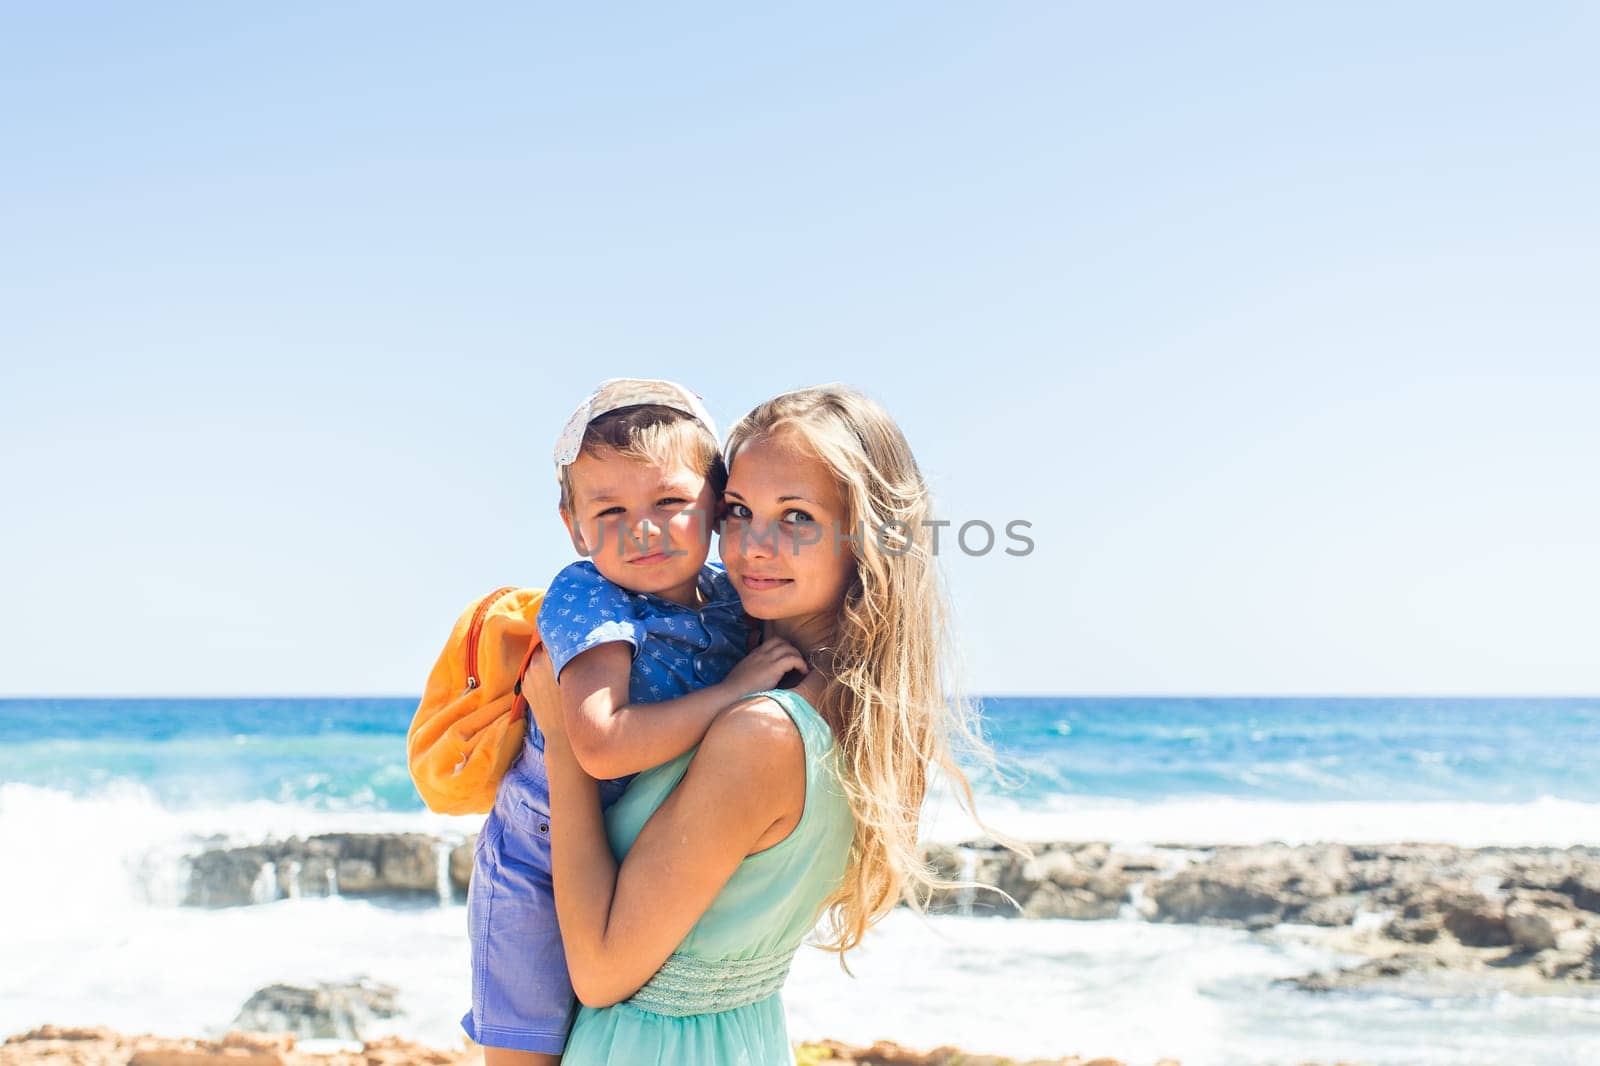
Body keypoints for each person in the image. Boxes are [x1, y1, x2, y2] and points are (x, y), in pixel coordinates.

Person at [524, 383, 994, 1065]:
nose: (751, 547)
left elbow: (600, 971)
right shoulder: (839, 703)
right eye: (739, 511)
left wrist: (563, 739)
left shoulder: (763, 733)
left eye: (797, 516)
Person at [463, 377, 807, 1064]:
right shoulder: (590, 596)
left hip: (624, 854)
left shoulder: (728, 602)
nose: (642, 529)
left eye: (671, 502)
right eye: (610, 509)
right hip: (539, 862)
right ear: (574, 525)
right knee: (526, 1052)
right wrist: (733, 692)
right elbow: (600, 743)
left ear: (718, 507)